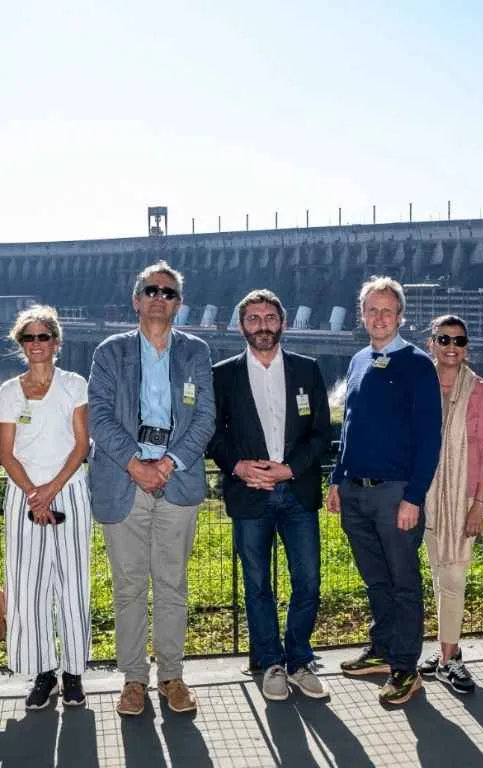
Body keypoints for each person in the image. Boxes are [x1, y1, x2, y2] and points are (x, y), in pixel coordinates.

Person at [88, 261, 215, 716]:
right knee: (128, 586)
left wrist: (168, 461)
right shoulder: (111, 351)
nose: (160, 298)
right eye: (152, 290)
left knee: (172, 584)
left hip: (176, 476)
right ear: (136, 299)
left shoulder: (195, 351)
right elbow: (99, 415)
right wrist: (134, 463)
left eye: (169, 292)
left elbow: (205, 417)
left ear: (178, 304)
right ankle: (133, 679)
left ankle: (172, 676)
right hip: (125, 479)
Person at [208, 289, 332, 702]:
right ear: (242, 326)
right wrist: (240, 468)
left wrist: (290, 468)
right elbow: (214, 434)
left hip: (296, 492)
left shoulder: (306, 369)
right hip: (250, 494)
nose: (263, 325)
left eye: (269, 317)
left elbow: (320, 431)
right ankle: (270, 663)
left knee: (308, 582)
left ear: (283, 322)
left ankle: (298, 659)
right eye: (254, 318)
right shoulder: (222, 374)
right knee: (257, 585)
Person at [328, 276, 441, 706]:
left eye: (387, 311)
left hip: (395, 494)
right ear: (362, 315)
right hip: (355, 491)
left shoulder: (416, 363)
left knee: (403, 582)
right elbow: (351, 428)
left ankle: (407, 668)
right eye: (371, 310)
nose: (378, 317)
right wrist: (337, 479)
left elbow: (429, 437)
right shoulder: (358, 361)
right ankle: (381, 650)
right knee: (376, 579)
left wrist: (414, 497)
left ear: (400, 316)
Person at [0, 305, 93, 710]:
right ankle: (43, 673)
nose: (36, 344)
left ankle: (73, 673)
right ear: (21, 344)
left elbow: (81, 443)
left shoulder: (74, 384)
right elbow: (6, 451)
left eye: (43, 337)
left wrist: (51, 489)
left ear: (56, 342)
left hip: (68, 490)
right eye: (28, 338)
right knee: (28, 589)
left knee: (72, 585)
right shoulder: (9, 391)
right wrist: (35, 493)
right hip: (24, 496)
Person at [416, 314, 483, 695]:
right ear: (431, 343)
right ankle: (448, 649)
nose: (452, 347)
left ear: (467, 347)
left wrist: (479, 502)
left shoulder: (479, 390)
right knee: (437, 575)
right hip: (423, 492)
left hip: (462, 495)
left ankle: (450, 658)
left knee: (452, 578)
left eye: (459, 341)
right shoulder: (417, 382)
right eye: (444, 340)